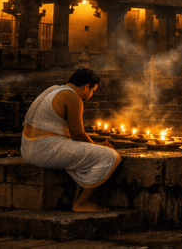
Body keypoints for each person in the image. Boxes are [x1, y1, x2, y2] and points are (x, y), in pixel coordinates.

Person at [21, 68, 121, 213]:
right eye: (93, 91)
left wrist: (95, 146)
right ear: (86, 86)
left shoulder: (53, 90)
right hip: (44, 149)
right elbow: (77, 134)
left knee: (90, 153)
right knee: (110, 156)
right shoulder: (72, 97)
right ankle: (82, 202)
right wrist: (98, 147)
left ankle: (75, 198)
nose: (91, 95)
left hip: (27, 148)